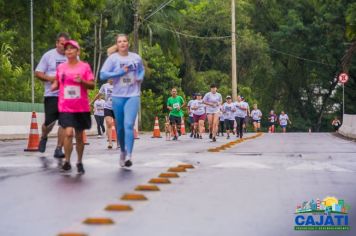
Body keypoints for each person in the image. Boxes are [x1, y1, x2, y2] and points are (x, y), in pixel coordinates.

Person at [100, 34, 144, 167]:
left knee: (129, 124)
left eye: (124, 41)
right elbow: (103, 75)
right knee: (120, 128)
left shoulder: (136, 58)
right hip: (118, 96)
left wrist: (139, 77)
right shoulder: (113, 59)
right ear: (117, 45)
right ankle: (123, 151)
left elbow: (141, 71)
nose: (122, 43)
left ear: (128, 43)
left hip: (133, 95)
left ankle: (129, 156)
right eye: (120, 42)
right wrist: (118, 73)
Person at [51, 40, 95, 174]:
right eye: (67, 49)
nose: (69, 51)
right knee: (68, 133)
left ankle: (79, 162)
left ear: (78, 51)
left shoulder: (85, 67)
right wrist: (53, 86)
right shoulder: (61, 68)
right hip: (65, 107)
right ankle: (67, 161)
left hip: (81, 107)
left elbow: (92, 85)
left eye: (72, 48)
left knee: (79, 136)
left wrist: (82, 81)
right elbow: (57, 82)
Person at [35, 32, 70, 158]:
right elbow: (38, 73)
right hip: (51, 95)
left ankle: (58, 149)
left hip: (66, 96)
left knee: (64, 123)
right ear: (57, 43)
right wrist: (51, 79)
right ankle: (44, 137)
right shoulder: (48, 55)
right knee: (49, 123)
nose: (64, 47)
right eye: (61, 44)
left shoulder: (71, 56)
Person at [92, 79, 116, 148]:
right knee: (109, 123)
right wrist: (92, 102)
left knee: (117, 125)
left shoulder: (118, 85)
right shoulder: (104, 86)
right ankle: (110, 143)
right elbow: (99, 94)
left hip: (117, 107)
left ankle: (119, 143)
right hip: (107, 107)